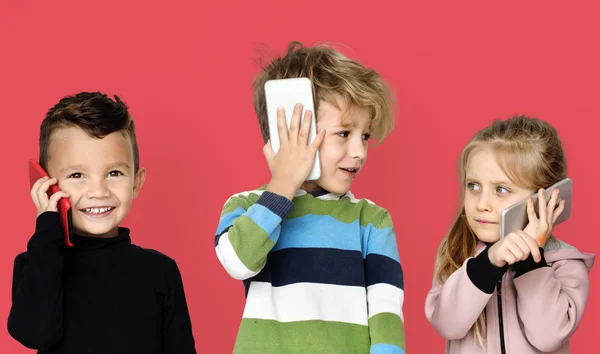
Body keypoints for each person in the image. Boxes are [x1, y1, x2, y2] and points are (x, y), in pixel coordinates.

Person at [214, 41, 405, 353]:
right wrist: (283, 185)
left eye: (365, 136)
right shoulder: (248, 206)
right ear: (287, 132)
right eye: (344, 134)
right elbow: (238, 262)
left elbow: (386, 311)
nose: (358, 152)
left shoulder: (372, 220)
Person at [8, 92, 197, 354]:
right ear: (46, 184)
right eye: (76, 175)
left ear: (136, 182)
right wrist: (47, 231)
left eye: (114, 173)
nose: (98, 191)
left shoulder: (160, 271)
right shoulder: (36, 264)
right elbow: (34, 333)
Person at [425, 115, 595, 354]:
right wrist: (488, 263)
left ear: (544, 198)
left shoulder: (566, 264)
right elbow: (448, 324)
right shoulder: (457, 253)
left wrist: (530, 257)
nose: (482, 204)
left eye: (501, 190)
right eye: (473, 186)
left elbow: (548, 336)